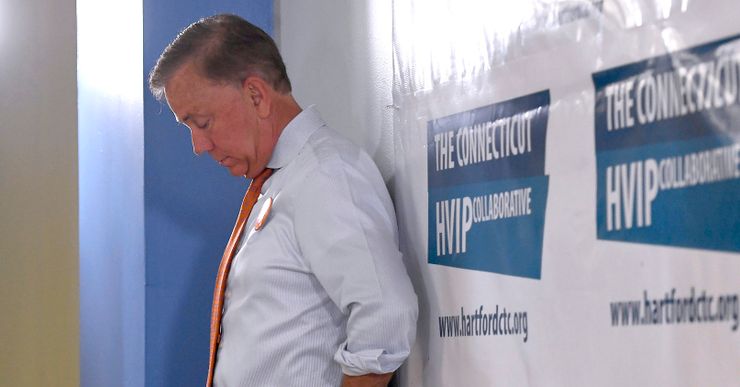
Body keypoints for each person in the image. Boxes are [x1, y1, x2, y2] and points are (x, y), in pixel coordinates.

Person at [148, 14, 418, 387]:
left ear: (256, 95)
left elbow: (386, 318)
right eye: (189, 127)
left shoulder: (326, 174)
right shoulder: (281, 183)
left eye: (203, 122)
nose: (198, 146)